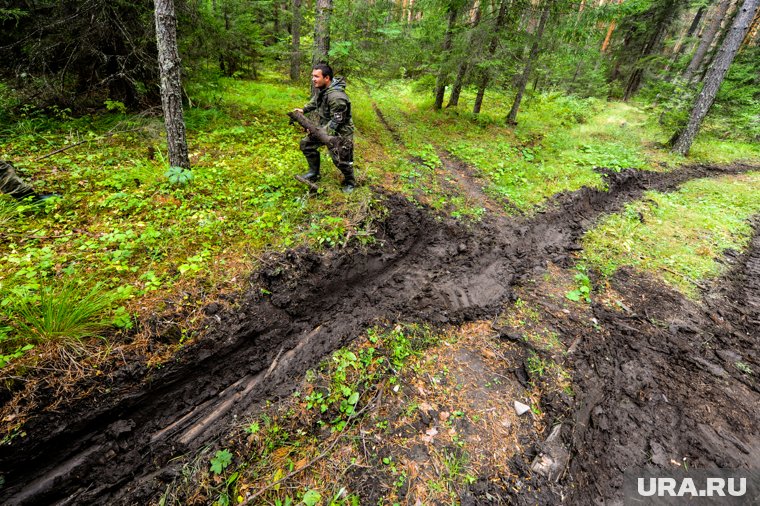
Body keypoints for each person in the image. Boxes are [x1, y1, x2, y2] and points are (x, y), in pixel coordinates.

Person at [294, 63, 356, 193]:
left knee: (341, 159)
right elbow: (316, 100)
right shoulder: (324, 89)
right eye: (313, 76)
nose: (313, 79)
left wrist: (321, 133)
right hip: (326, 127)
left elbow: (337, 120)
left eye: (316, 76)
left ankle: (350, 182)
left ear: (326, 78)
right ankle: (314, 173)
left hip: (341, 131)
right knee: (307, 144)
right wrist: (304, 109)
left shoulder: (336, 97)